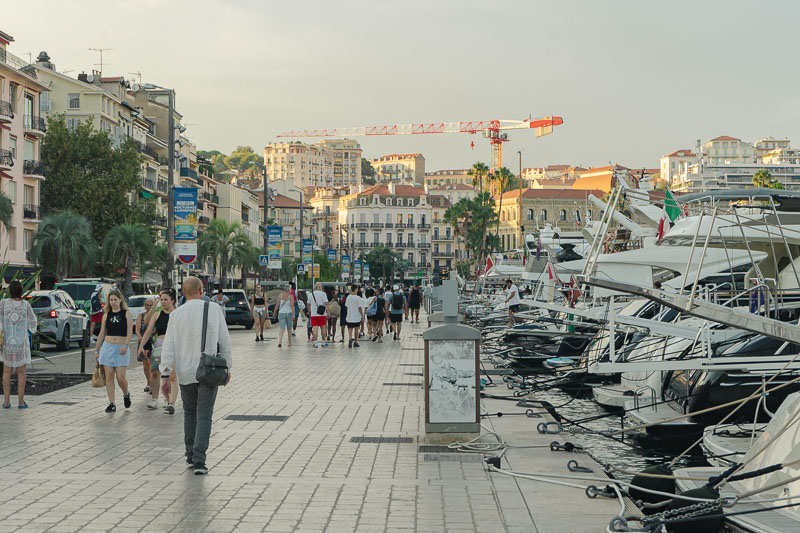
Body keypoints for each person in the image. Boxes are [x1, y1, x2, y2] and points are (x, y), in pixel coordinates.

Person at [160, 277, 232, 476]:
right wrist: (228, 368)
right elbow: (224, 342)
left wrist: (165, 374)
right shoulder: (214, 310)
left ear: (183, 293)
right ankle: (200, 460)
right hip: (207, 371)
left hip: (184, 372)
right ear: (201, 290)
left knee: (190, 413)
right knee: (204, 415)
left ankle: (190, 455)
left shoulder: (176, 315)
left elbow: (168, 346)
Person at [138, 288, 177, 413]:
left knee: (170, 374)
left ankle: (168, 399)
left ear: (173, 300)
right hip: (159, 344)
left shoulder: (177, 314)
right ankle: (154, 399)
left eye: (166, 300)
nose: (163, 302)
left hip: (173, 345)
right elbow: (148, 330)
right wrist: (141, 346)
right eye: (162, 300)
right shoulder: (157, 314)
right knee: (154, 372)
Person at [95, 289, 133, 413]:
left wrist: (126, 346)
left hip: (121, 347)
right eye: (111, 300)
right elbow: (102, 333)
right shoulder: (106, 315)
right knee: (109, 377)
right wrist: (97, 350)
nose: (113, 302)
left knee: (121, 377)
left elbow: (129, 332)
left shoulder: (126, 313)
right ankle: (112, 403)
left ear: (120, 300)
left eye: (115, 300)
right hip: (108, 347)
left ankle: (126, 393)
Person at [1, 281, 37, 409]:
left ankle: (6, 402)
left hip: (8, 343)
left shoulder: (4, 303)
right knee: (21, 372)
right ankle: (21, 402)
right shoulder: (25, 305)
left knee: (6, 372)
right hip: (21, 343)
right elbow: (33, 323)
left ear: (10, 291)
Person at [135, 297, 156, 393]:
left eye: (150, 305)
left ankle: (152, 384)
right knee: (145, 365)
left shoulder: (155, 315)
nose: (148, 306)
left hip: (151, 340)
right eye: (147, 304)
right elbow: (137, 329)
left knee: (151, 363)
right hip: (143, 340)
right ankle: (148, 382)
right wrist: (140, 337)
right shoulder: (141, 316)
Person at [308, 282, 329, 348]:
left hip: (314, 314)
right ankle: (323, 342)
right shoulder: (323, 294)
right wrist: (328, 312)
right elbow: (326, 304)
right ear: (319, 287)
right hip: (322, 314)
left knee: (315, 329)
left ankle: (315, 343)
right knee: (323, 328)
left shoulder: (311, 295)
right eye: (321, 287)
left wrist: (310, 312)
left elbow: (308, 304)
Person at [273, 284, 295, 348]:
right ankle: (289, 343)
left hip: (281, 313)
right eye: (290, 289)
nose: (291, 290)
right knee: (289, 328)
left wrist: (274, 312)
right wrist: (293, 315)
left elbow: (277, 305)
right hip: (289, 313)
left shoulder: (280, 295)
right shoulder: (291, 296)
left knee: (282, 328)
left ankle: (280, 342)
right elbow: (292, 306)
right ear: (289, 289)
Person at [344, 284, 364, 348]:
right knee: (356, 329)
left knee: (350, 328)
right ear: (356, 289)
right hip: (356, 316)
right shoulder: (358, 298)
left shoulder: (348, 297)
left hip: (349, 316)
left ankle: (350, 338)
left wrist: (348, 313)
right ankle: (355, 342)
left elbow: (347, 307)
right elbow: (359, 308)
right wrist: (362, 315)